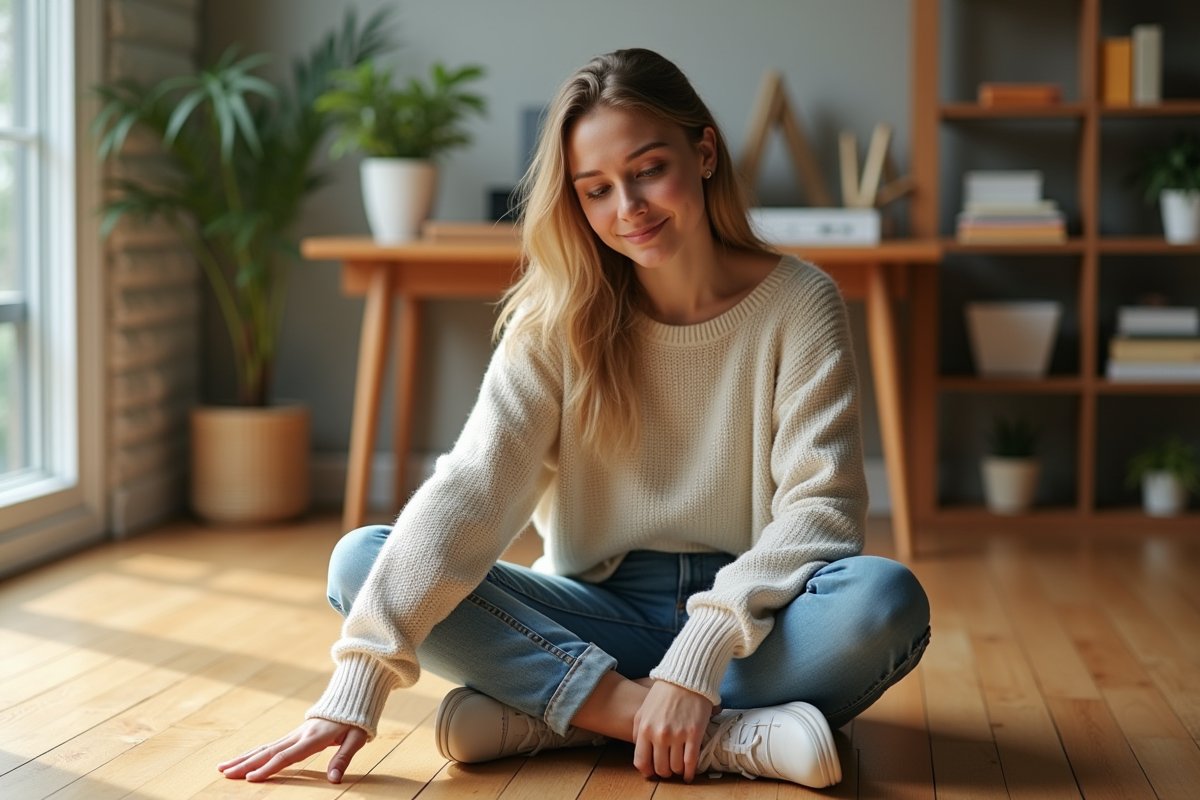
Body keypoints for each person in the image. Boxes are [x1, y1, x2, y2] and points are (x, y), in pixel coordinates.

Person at [218, 47, 930, 790]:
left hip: (758, 616)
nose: (629, 209)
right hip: (598, 606)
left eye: (649, 169)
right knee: (362, 560)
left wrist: (701, 650)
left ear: (705, 151)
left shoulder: (800, 303)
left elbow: (822, 511)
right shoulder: (556, 320)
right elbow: (472, 490)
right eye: (596, 190)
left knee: (884, 602)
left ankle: (555, 712)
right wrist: (358, 683)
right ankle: (694, 731)